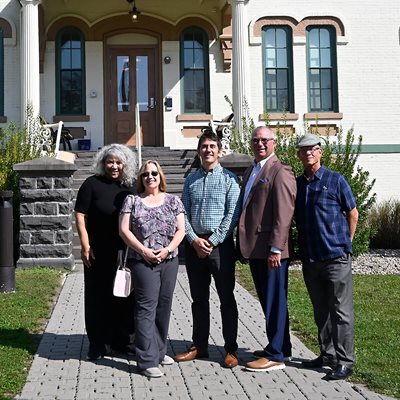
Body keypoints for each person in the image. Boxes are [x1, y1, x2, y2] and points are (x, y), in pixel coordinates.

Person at [174, 130, 241, 369]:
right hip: (194, 248)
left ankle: (231, 349)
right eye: (204, 146)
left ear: (219, 151)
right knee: (199, 299)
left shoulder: (230, 180)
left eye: (213, 146)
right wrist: (193, 239)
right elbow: (183, 213)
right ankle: (199, 345)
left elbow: (232, 215)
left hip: (220, 248)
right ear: (199, 151)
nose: (208, 150)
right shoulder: (190, 180)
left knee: (226, 299)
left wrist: (213, 241)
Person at [295, 134, 359, 380]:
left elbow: (352, 212)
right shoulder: (299, 184)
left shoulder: (335, 180)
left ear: (320, 152)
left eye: (313, 149)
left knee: (341, 311)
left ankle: (345, 361)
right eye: (303, 150)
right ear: (299, 155)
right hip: (311, 260)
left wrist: (347, 244)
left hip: (336, 258)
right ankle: (328, 354)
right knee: (320, 310)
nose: (308, 152)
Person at [237, 126, 297, 372]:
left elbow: (284, 214)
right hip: (256, 249)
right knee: (268, 301)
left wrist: (276, 248)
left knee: (274, 301)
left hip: (271, 251)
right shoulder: (254, 168)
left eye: (264, 140)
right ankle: (282, 346)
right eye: (255, 140)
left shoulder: (280, 172)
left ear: (274, 143)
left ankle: (276, 356)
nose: (259, 143)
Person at [119, 160, 185, 378]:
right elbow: (124, 230)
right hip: (142, 261)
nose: (150, 177)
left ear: (160, 176)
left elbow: (181, 231)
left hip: (168, 260)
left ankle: (159, 351)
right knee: (146, 308)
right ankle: (146, 360)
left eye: (154, 173)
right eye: (146, 174)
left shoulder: (173, 201)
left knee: (163, 307)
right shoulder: (132, 201)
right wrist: (144, 251)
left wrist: (167, 250)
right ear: (141, 178)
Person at [74, 144, 137, 361]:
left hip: (125, 252)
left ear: (125, 165)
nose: (114, 166)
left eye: (119, 162)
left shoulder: (131, 186)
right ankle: (98, 344)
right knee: (97, 299)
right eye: (110, 161)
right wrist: (84, 246)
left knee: (124, 297)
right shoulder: (92, 184)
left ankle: (124, 343)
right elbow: (80, 215)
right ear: (103, 163)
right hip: (97, 251)